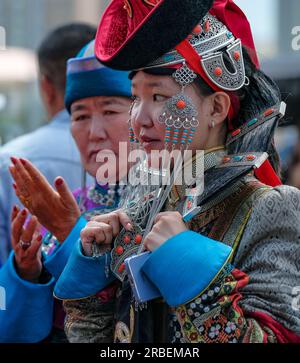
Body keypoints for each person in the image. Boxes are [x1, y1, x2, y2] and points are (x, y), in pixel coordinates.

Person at [56, 0, 300, 343]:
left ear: (216, 107)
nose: (140, 118)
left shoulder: (268, 207)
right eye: (135, 97)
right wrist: (95, 283)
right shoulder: (143, 199)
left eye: (158, 96)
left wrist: (192, 273)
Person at [0, 40, 132, 343]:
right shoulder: (76, 200)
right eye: (81, 116)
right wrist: (27, 271)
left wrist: (69, 231)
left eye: (110, 111)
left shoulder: (172, 201)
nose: (94, 132)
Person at [0, 23, 96, 266]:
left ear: (45, 87)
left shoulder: (9, 158)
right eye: (81, 116)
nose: (95, 135)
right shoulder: (141, 157)